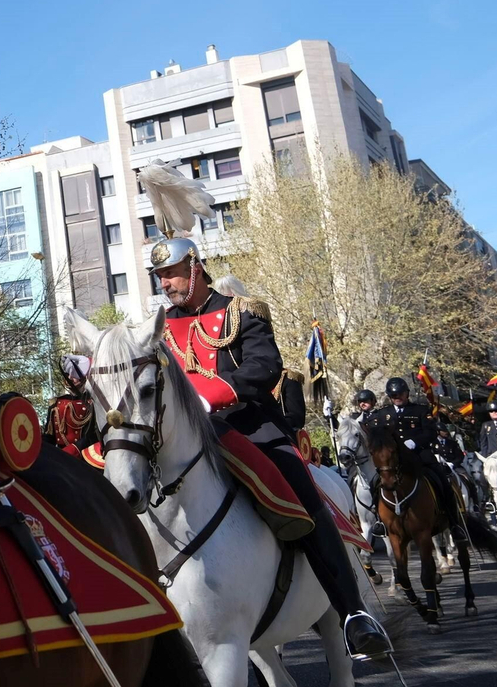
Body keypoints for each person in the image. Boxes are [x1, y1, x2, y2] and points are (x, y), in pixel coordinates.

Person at [144, 234, 390, 659]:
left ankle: (353, 615)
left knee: (301, 488)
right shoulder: (160, 328)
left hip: (245, 425)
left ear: (194, 268)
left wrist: (216, 393)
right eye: (159, 277)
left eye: (170, 275)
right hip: (186, 434)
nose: (164, 284)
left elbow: (264, 366)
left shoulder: (242, 312)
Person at [366, 377, 468, 539]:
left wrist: (415, 442)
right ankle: (379, 520)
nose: (397, 398)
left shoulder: (420, 410)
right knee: (374, 482)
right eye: (393, 396)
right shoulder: (383, 414)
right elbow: (369, 429)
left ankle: (454, 523)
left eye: (400, 394)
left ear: (407, 394)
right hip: (394, 462)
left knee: (442, 481)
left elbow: (431, 432)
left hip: (420, 457)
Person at [46, 355, 98, 454]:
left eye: (74, 374)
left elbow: (92, 435)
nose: (69, 378)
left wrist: (74, 449)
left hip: (86, 456)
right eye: (67, 374)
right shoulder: (55, 404)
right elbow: (49, 437)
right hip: (61, 457)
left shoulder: (93, 403)